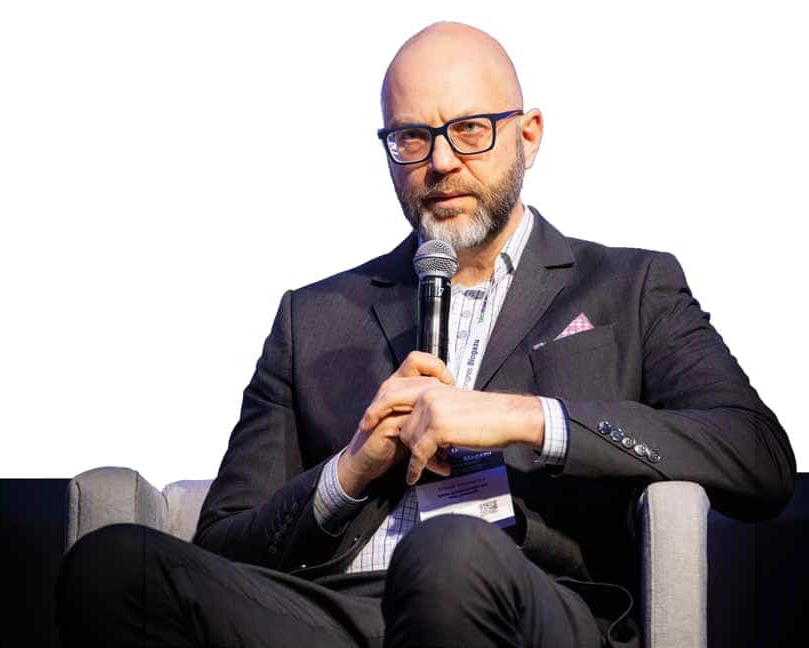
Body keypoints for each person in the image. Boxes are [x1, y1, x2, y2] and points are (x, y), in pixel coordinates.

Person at [56, 21, 795, 648]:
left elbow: (756, 454)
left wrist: (526, 418)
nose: (440, 162)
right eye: (412, 137)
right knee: (114, 566)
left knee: (447, 555)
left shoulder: (628, 286)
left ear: (528, 135)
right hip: (339, 616)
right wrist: (348, 472)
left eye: (469, 129)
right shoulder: (313, 317)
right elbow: (224, 546)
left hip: (520, 599)